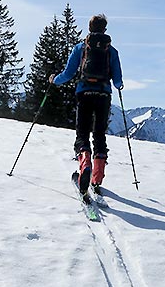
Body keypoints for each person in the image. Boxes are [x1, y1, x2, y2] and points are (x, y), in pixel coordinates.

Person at [50, 14, 123, 203]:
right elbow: (117, 80)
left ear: (89, 28)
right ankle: (97, 178)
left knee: (82, 134)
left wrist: (54, 80)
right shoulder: (111, 51)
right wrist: (118, 84)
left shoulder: (81, 48)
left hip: (84, 93)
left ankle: (85, 167)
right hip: (104, 95)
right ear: (104, 29)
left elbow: (68, 73)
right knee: (99, 134)